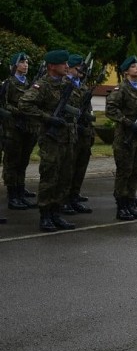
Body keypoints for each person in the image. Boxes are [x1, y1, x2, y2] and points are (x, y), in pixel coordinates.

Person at [18, 49, 78, 232]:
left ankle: (57, 213)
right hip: (51, 138)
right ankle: (45, 215)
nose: (67, 66)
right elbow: (24, 104)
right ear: (52, 66)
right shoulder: (41, 85)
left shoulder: (66, 83)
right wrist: (47, 117)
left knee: (64, 177)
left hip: (67, 138)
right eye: (64, 64)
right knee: (49, 177)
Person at [106, 56, 137, 220]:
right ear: (126, 71)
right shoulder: (121, 89)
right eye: (133, 66)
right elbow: (110, 109)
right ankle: (122, 206)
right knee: (124, 172)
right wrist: (127, 122)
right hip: (125, 137)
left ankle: (131, 203)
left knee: (135, 172)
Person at [3, 52, 39, 211]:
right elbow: (4, 105)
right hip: (13, 128)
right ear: (15, 65)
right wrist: (19, 111)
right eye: (22, 62)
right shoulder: (8, 83)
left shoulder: (29, 83)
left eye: (27, 63)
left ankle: (20, 189)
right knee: (12, 162)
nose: (26, 65)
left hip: (28, 128)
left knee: (23, 160)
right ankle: (12, 195)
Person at [63, 54, 95, 214]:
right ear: (69, 68)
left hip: (83, 132)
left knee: (80, 167)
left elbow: (87, 109)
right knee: (68, 168)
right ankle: (64, 200)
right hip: (70, 132)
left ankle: (74, 197)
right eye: (79, 68)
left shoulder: (82, 86)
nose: (82, 71)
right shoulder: (64, 84)